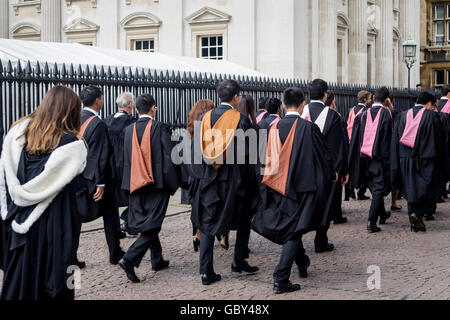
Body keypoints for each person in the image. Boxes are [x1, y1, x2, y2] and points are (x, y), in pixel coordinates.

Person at [0, 86, 87, 300]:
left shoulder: (18, 134)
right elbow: (77, 199)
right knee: (55, 285)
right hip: (53, 228)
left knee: (19, 284)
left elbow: (5, 178)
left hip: (18, 224)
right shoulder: (71, 145)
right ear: (71, 111)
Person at [252, 88, 336, 294]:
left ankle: (302, 261)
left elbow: (263, 160)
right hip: (302, 187)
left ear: (282, 105)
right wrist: (330, 174)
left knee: (293, 226)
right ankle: (280, 278)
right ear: (302, 104)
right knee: (295, 230)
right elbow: (322, 156)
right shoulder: (308, 128)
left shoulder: (273, 127)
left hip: (277, 185)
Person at [190, 80, 259, 286]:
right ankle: (238, 260)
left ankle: (206, 271)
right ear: (236, 97)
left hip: (209, 180)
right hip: (234, 181)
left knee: (208, 223)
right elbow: (249, 156)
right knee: (244, 218)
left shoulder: (204, 118)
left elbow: (196, 153)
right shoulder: (241, 120)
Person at [118, 94, 181, 283]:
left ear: (136, 109)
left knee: (148, 222)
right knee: (153, 225)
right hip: (157, 185)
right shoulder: (160, 128)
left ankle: (157, 259)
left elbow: (123, 160)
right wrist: (172, 184)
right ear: (154, 108)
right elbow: (170, 159)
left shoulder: (128, 130)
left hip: (135, 183)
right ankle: (129, 258)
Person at [75, 85, 124, 268]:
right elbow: (100, 155)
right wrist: (100, 182)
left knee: (76, 218)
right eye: (102, 98)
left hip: (77, 175)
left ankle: (72, 256)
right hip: (96, 178)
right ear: (97, 100)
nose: (103, 100)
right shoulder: (97, 123)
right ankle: (114, 252)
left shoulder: (75, 119)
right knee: (110, 214)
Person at [302, 79, 348, 252]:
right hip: (325, 170)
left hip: (303, 167)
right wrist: (340, 171)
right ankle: (320, 240)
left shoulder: (301, 112)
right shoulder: (333, 116)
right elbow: (338, 147)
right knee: (326, 204)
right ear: (325, 94)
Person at [391, 91, 447, 231]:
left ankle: (413, 219)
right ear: (428, 103)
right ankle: (418, 214)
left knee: (411, 187)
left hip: (406, 158)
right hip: (426, 158)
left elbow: (396, 140)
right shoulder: (432, 116)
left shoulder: (402, 115)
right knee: (426, 187)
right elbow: (440, 138)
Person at [349, 87, 393, 233]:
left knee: (375, 187)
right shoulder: (386, 115)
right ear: (386, 101)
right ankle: (371, 222)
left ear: (373, 98)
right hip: (379, 158)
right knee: (379, 188)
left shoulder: (363, 115)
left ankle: (382, 214)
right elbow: (388, 139)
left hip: (364, 157)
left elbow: (356, 139)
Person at [104, 92, 137, 236]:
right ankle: (128, 220)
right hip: (125, 165)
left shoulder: (107, 120)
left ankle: (116, 228)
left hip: (108, 165)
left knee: (112, 198)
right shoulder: (131, 123)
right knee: (133, 195)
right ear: (131, 104)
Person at [186, 99, 216, 252]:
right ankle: (207, 237)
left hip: (193, 174)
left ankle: (196, 236)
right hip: (206, 172)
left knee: (196, 208)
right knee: (209, 210)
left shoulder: (191, 127)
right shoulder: (208, 126)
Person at [325, 92, 348, 224]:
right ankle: (336, 214)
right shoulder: (336, 117)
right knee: (336, 190)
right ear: (332, 101)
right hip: (334, 158)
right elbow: (343, 142)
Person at [345, 90, 372, 201]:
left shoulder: (351, 110)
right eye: (369, 98)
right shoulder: (366, 111)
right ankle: (361, 191)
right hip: (360, 143)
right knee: (363, 168)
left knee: (352, 166)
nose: (370, 100)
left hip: (350, 141)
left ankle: (351, 188)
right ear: (365, 99)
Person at [386, 92, 403, 212]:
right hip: (393, 147)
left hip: (381, 149)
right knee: (394, 175)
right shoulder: (395, 112)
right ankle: (393, 202)